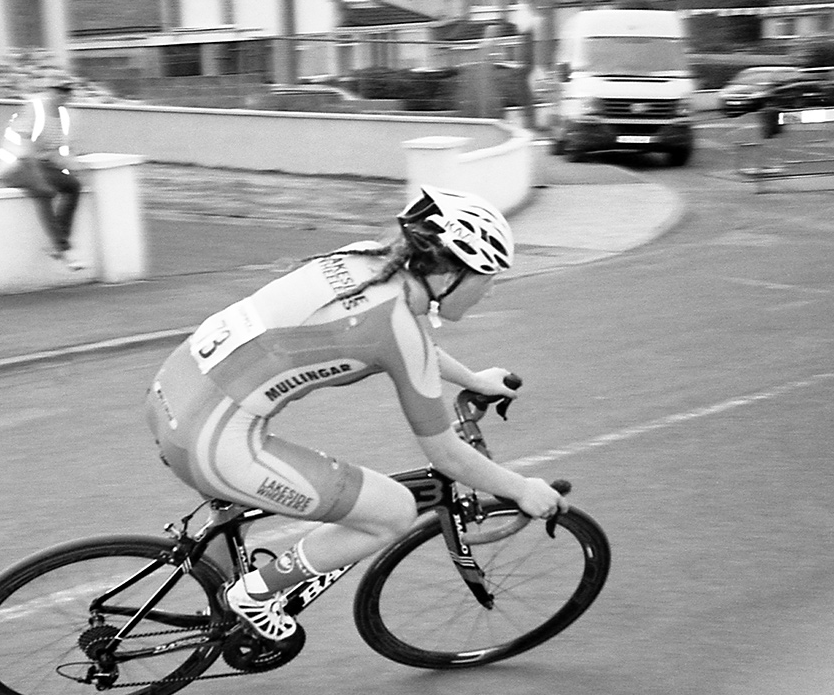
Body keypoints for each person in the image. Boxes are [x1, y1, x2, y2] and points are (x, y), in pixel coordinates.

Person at [143, 186, 566, 641]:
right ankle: (254, 596)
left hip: (173, 391)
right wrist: (523, 489)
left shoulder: (368, 259)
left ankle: (223, 616)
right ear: (449, 276)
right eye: (489, 276)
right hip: (212, 442)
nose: (491, 290)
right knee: (393, 511)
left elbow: (410, 343)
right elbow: (448, 456)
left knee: (251, 500)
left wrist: (474, 380)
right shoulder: (399, 328)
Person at [0, 78, 82, 258]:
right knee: (44, 191)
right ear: (50, 91)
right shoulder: (35, 108)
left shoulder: (65, 115)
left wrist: (74, 167)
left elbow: (57, 152)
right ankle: (62, 248)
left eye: (66, 92)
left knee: (73, 186)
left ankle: (60, 240)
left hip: (40, 165)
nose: (62, 96)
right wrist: (39, 177)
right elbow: (25, 148)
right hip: (15, 166)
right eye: (58, 91)